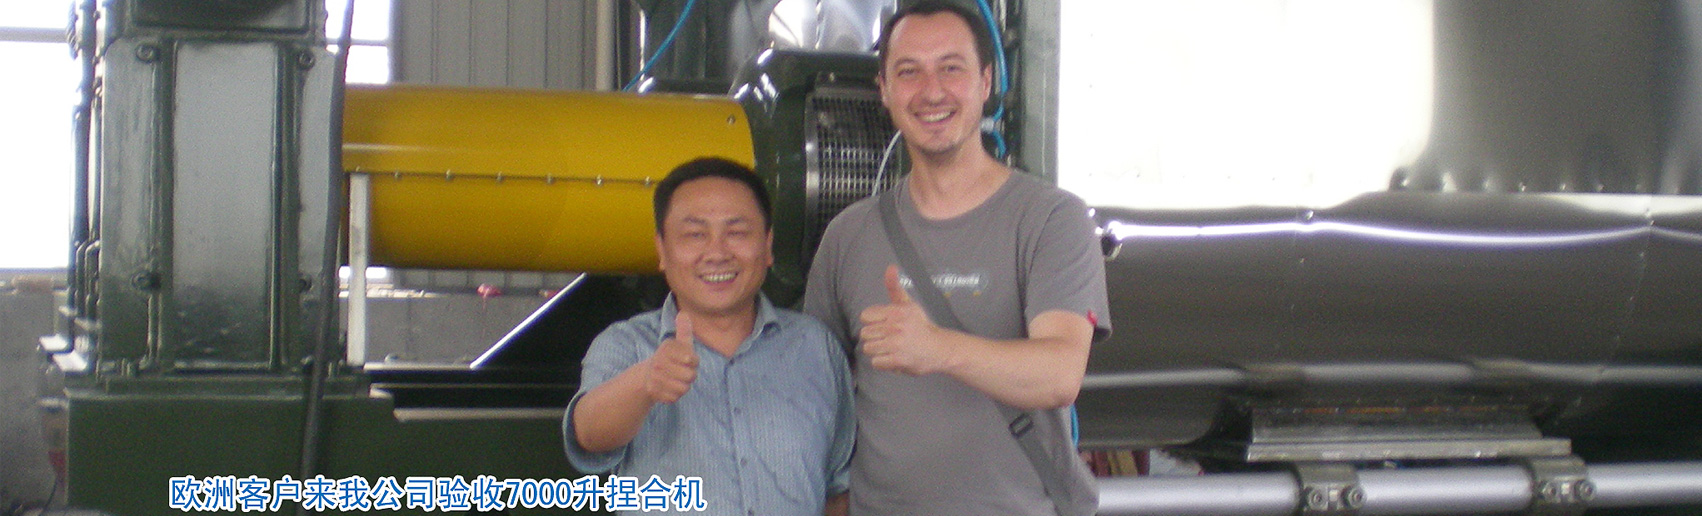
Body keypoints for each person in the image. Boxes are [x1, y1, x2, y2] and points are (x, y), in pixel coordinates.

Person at [801, 1, 1111, 515]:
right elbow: (819, 396)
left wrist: (938, 348)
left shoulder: (1052, 219)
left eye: (951, 68)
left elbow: (1059, 375)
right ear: (884, 90)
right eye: (908, 72)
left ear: (985, 82)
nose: (932, 92)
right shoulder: (848, 236)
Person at [565, 157, 854, 516]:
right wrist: (645, 382)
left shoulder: (815, 346)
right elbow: (588, 436)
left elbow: (837, 487)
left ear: (767, 246)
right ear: (662, 250)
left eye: (737, 232)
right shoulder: (627, 344)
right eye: (695, 235)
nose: (717, 253)